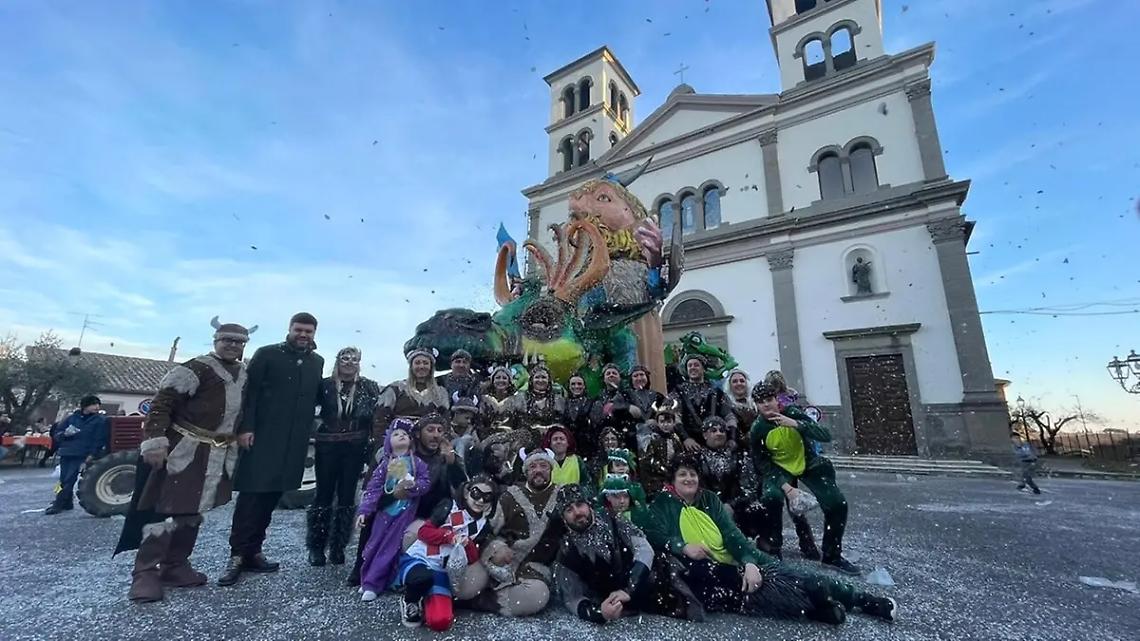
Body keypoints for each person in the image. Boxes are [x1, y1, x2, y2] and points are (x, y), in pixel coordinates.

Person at [638, 455, 897, 625]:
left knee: (796, 576)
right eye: (683, 474)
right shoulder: (662, 504)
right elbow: (656, 535)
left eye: (693, 474)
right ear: (672, 480)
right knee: (760, 598)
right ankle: (818, 609)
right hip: (705, 571)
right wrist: (682, 546)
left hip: (736, 557)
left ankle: (862, 600)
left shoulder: (708, 500)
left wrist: (750, 561)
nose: (689, 479)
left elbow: (731, 534)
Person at [113, 319, 253, 602]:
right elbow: (161, 404)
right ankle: (145, 573)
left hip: (215, 451)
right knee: (164, 509)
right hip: (182, 449)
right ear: (216, 340)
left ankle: (176, 566)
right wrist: (154, 442)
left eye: (239, 342)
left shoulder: (243, 374)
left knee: (191, 510)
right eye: (227, 340)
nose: (233, 345)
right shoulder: (195, 367)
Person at [220, 312, 324, 587]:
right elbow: (250, 394)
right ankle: (237, 555)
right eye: (299, 329)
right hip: (263, 437)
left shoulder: (317, 362)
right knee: (252, 496)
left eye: (308, 331)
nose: (303, 335)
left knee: (271, 497)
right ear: (289, 329)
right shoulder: (267, 354)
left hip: (294, 442)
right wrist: (246, 428)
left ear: (314, 334)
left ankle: (254, 552)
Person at [750, 384, 858, 574]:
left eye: (769, 400)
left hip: (808, 465)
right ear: (756, 406)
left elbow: (825, 435)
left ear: (777, 400)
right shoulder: (758, 428)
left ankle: (832, 555)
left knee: (836, 503)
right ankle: (774, 551)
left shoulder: (793, 413)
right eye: (761, 402)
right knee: (771, 498)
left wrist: (796, 424)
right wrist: (786, 487)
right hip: (779, 470)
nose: (766, 405)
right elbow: (762, 463)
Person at [552, 484, 698, 624]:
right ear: (564, 518)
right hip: (621, 603)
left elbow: (645, 550)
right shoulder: (566, 551)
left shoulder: (613, 519)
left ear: (589, 505)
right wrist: (600, 613)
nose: (577, 512)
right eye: (569, 510)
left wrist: (629, 588)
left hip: (656, 581)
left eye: (579, 504)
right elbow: (572, 598)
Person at [459, 448, 561, 618]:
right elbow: (487, 530)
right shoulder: (510, 496)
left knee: (537, 596)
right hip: (500, 559)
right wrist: (495, 548)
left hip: (534, 567)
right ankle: (447, 598)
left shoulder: (561, 495)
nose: (538, 470)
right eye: (532, 467)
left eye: (543, 466)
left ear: (551, 469)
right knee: (466, 586)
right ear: (526, 471)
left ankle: (481, 601)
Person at [394, 476, 498, 630]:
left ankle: (426, 599)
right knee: (422, 578)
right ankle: (410, 600)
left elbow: (473, 559)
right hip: (419, 558)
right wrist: (448, 537)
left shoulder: (484, 526)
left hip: (442, 571)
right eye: (476, 493)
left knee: (440, 621)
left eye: (487, 496)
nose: (480, 500)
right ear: (466, 493)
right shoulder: (449, 506)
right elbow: (424, 532)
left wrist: (468, 544)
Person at [308, 346, 381, 567]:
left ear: (359, 362)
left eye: (354, 359)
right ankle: (317, 547)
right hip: (328, 446)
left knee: (348, 496)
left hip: (355, 447)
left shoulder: (368, 386)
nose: (349, 362)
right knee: (323, 494)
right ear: (338, 360)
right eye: (344, 358)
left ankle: (338, 547)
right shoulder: (325, 385)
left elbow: (375, 418)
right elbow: (307, 409)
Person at [355, 419, 432, 601]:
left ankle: (374, 583)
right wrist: (364, 511)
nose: (401, 437)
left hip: (404, 513)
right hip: (384, 512)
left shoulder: (417, 463)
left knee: (391, 547)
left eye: (405, 434)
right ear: (388, 440)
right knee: (374, 545)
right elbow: (373, 489)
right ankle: (366, 578)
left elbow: (425, 483)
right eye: (396, 434)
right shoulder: (384, 464)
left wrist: (414, 486)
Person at [696, 417, 766, 540]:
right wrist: (713, 505)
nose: (719, 434)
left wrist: (731, 505)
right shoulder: (696, 458)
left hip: (736, 507)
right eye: (713, 430)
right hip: (705, 506)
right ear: (705, 435)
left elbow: (750, 488)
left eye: (722, 430)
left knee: (759, 507)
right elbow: (695, 488)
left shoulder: (739, 455)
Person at [43, 395, 108, 515]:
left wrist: (92, 454)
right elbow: (57, 433)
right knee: (62, 479)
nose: (96, 407)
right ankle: (67, 502)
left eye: (98, 404)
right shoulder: (72, 418)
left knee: (69, 479)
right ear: (85, 406)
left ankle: (59, 503)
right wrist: (64, 435)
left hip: (81, 453)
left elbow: (99, 439)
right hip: (66, 451)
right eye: (93, 404)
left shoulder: (100, 420)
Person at [375, 349, 450, 442]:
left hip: (429, 443)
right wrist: (383, 443)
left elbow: (445, 421)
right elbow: (380, 418)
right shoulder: (396, 388)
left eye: (425, 363)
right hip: (399, 442)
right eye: (417, 363)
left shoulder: (440, 393)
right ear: (411, 366)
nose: (421, 366)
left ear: (431, 367)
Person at [674, 354, 736, 450]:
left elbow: (729, 416)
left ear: (703, 369)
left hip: (715, 443)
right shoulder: (678, 391)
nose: (693, 368)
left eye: (696, 365)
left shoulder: (716, 391)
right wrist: (686, 438)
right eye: (689, 366)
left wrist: (732, 438)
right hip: (689, 444)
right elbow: (674, 416)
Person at [503, 363, 564, 445]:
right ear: (531, 380)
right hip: (524, 444)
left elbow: (561, 425)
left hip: (552, 443)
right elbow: (511, 424)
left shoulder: (558, 399)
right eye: (537, 377)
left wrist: (547, 429)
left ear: (549, 380)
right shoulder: (520, 398)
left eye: (544, 377)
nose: (540, 380)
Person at [638, 397, 684, 496]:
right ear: (657, 423)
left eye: (668, 422)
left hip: (672, 475)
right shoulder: (653, 439)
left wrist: (674, 468)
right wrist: (662, 468)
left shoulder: (676, 439)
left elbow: (680, 455)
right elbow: (647, 458)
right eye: (662, 422)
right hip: (656, 478)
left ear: (673, 423)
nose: (665, 425)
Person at [590, 363, 641, 452]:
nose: (611, 375)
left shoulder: (629, 394)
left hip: (628, 437)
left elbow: (638, 413)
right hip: (606, 439)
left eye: (614, 373)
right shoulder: (598, 398)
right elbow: (596, 419)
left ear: (620, 377)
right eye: (608, 373)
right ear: (604, 379)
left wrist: (618, 407)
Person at [562, 373, 596, 460]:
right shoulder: (563, 403)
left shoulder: (591, 402)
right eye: (573, 384)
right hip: (567, 446)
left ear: (584, 386)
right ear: (568, 387)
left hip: (587, 447)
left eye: (579, 384)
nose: (576, 386)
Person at [725, 369, 758, 450]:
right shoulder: (726, 406)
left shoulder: (756, 403)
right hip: (739, 448)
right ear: (730, 385)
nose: (739, 383)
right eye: (735, 381)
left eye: (742, 381)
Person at [449, 393, 482, 462]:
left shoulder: (470, 429)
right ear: (457, 413)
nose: (469, 421)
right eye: (466, 418)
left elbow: (478, 447)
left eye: (470, 419)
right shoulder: (447, 427)